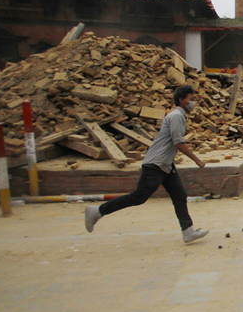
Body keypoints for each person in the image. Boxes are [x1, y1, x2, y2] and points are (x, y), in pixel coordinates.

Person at [84, 85, 209, 244]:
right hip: (156, 164)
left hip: (166, 165)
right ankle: (97, 211)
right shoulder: (177, 116)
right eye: (191, 99)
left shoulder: (179, 116)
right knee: (139, 197)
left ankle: (188, 231)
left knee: (179, 196)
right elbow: (178, 142)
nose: (194, 102)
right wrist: (196, 159)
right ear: (181, 100)